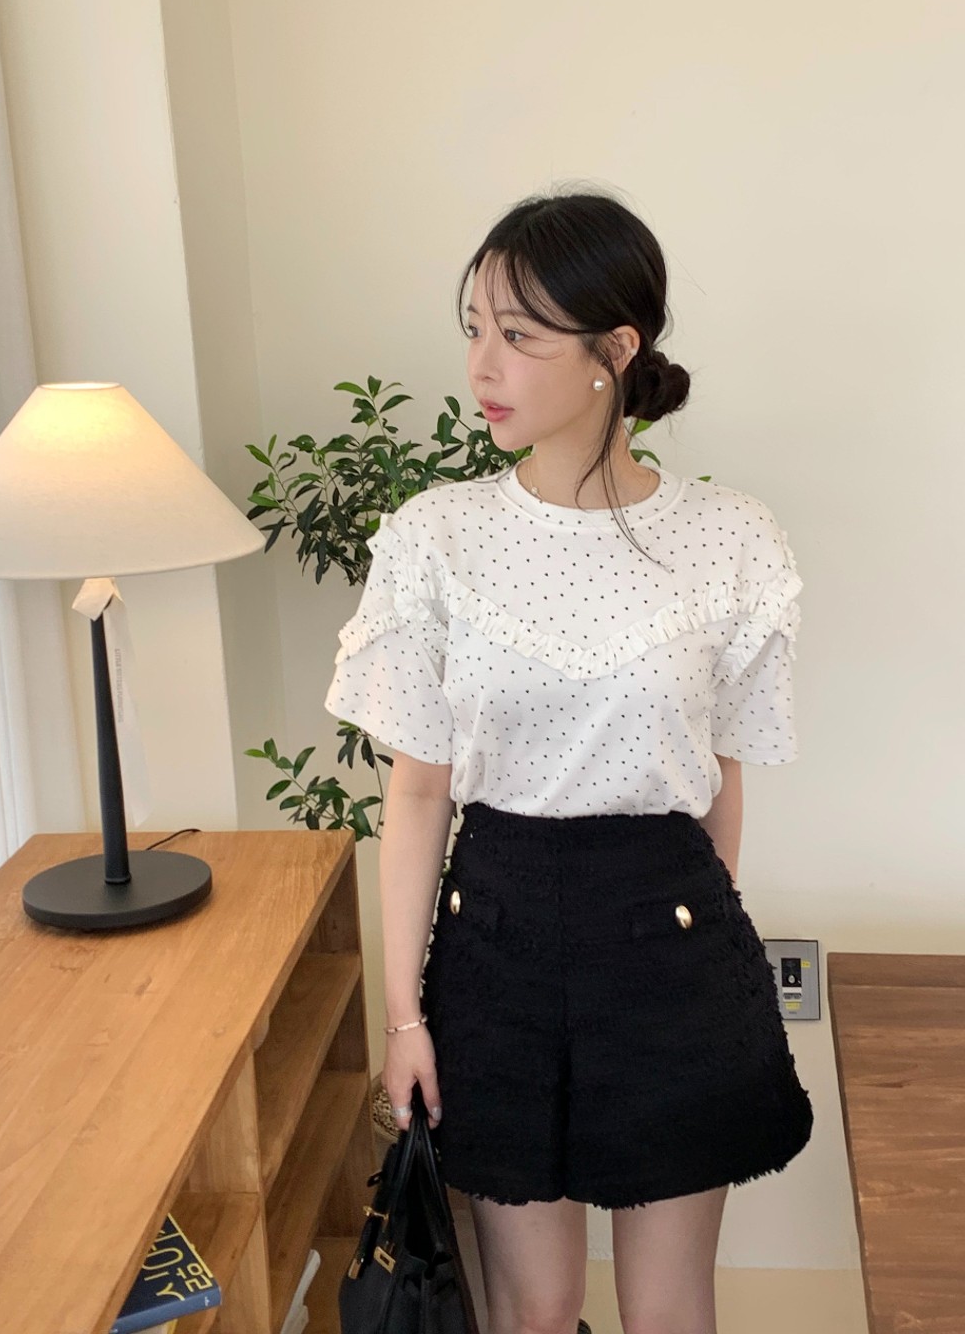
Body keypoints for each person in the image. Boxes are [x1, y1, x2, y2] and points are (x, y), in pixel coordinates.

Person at [323, 190, 813, 1334]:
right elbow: (418, 794)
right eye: (474, 329)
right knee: (532, 1312)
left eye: (518, 336)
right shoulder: (435, 536)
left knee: (667, 1310)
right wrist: (403, 1018)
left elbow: (723, 778)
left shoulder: (732, 539)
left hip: (670, 941)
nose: (481, 366)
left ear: (616, 351)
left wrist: (708, 949)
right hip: (493, 942)